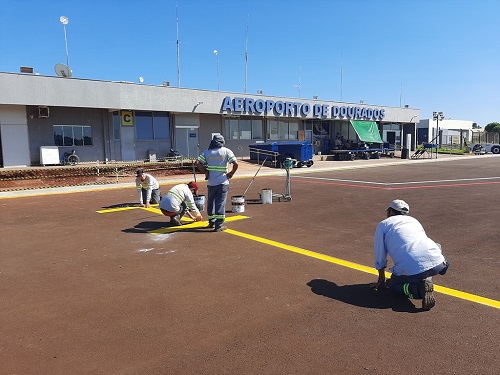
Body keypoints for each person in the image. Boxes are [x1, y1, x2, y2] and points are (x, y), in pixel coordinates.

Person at [371, 199, 449, 310]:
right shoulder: (414, 220)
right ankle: (439, 270)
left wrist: (381, 279)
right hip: (438, 262)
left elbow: (380, 255)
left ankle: (419, 289)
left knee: (393, 287)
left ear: (391, 212)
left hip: (412, 268)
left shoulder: (384, 224)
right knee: (434, 246)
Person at [195, 134, 238, 232]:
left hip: (211, 183)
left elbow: (197, 163)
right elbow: (235, 163)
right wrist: (231, 173)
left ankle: (211, 222)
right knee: (220, 203)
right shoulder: (227, 151)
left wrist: (205, 171)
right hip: (223, 182)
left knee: (211, 202)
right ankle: (219, 225)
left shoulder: (207, 152)